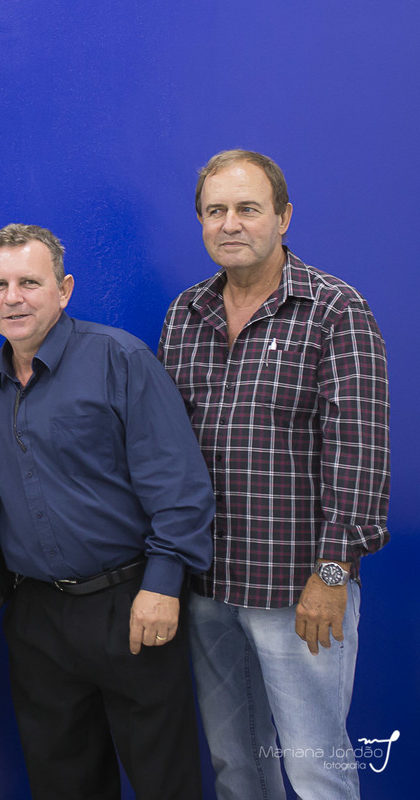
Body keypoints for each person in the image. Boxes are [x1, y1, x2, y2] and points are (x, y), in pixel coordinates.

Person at [159, 150, 390, 800]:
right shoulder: (186, 314)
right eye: (215, 211)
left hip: (298, 590)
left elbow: (360, 450)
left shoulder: (335, 311)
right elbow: (165, 448)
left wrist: (333, 575)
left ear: (283, 217)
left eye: (247, 209)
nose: (230, 224)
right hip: (207, 586)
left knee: (316, 771)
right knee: (237, 767)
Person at [0, 224, 214, 800]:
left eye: (30, 283)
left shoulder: (119, 358)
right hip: (36, 617)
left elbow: (180, 484)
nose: (13, 298)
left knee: (164, 782)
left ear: (64, 290)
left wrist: (163, 585)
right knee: (63, 784)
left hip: (131, 604)